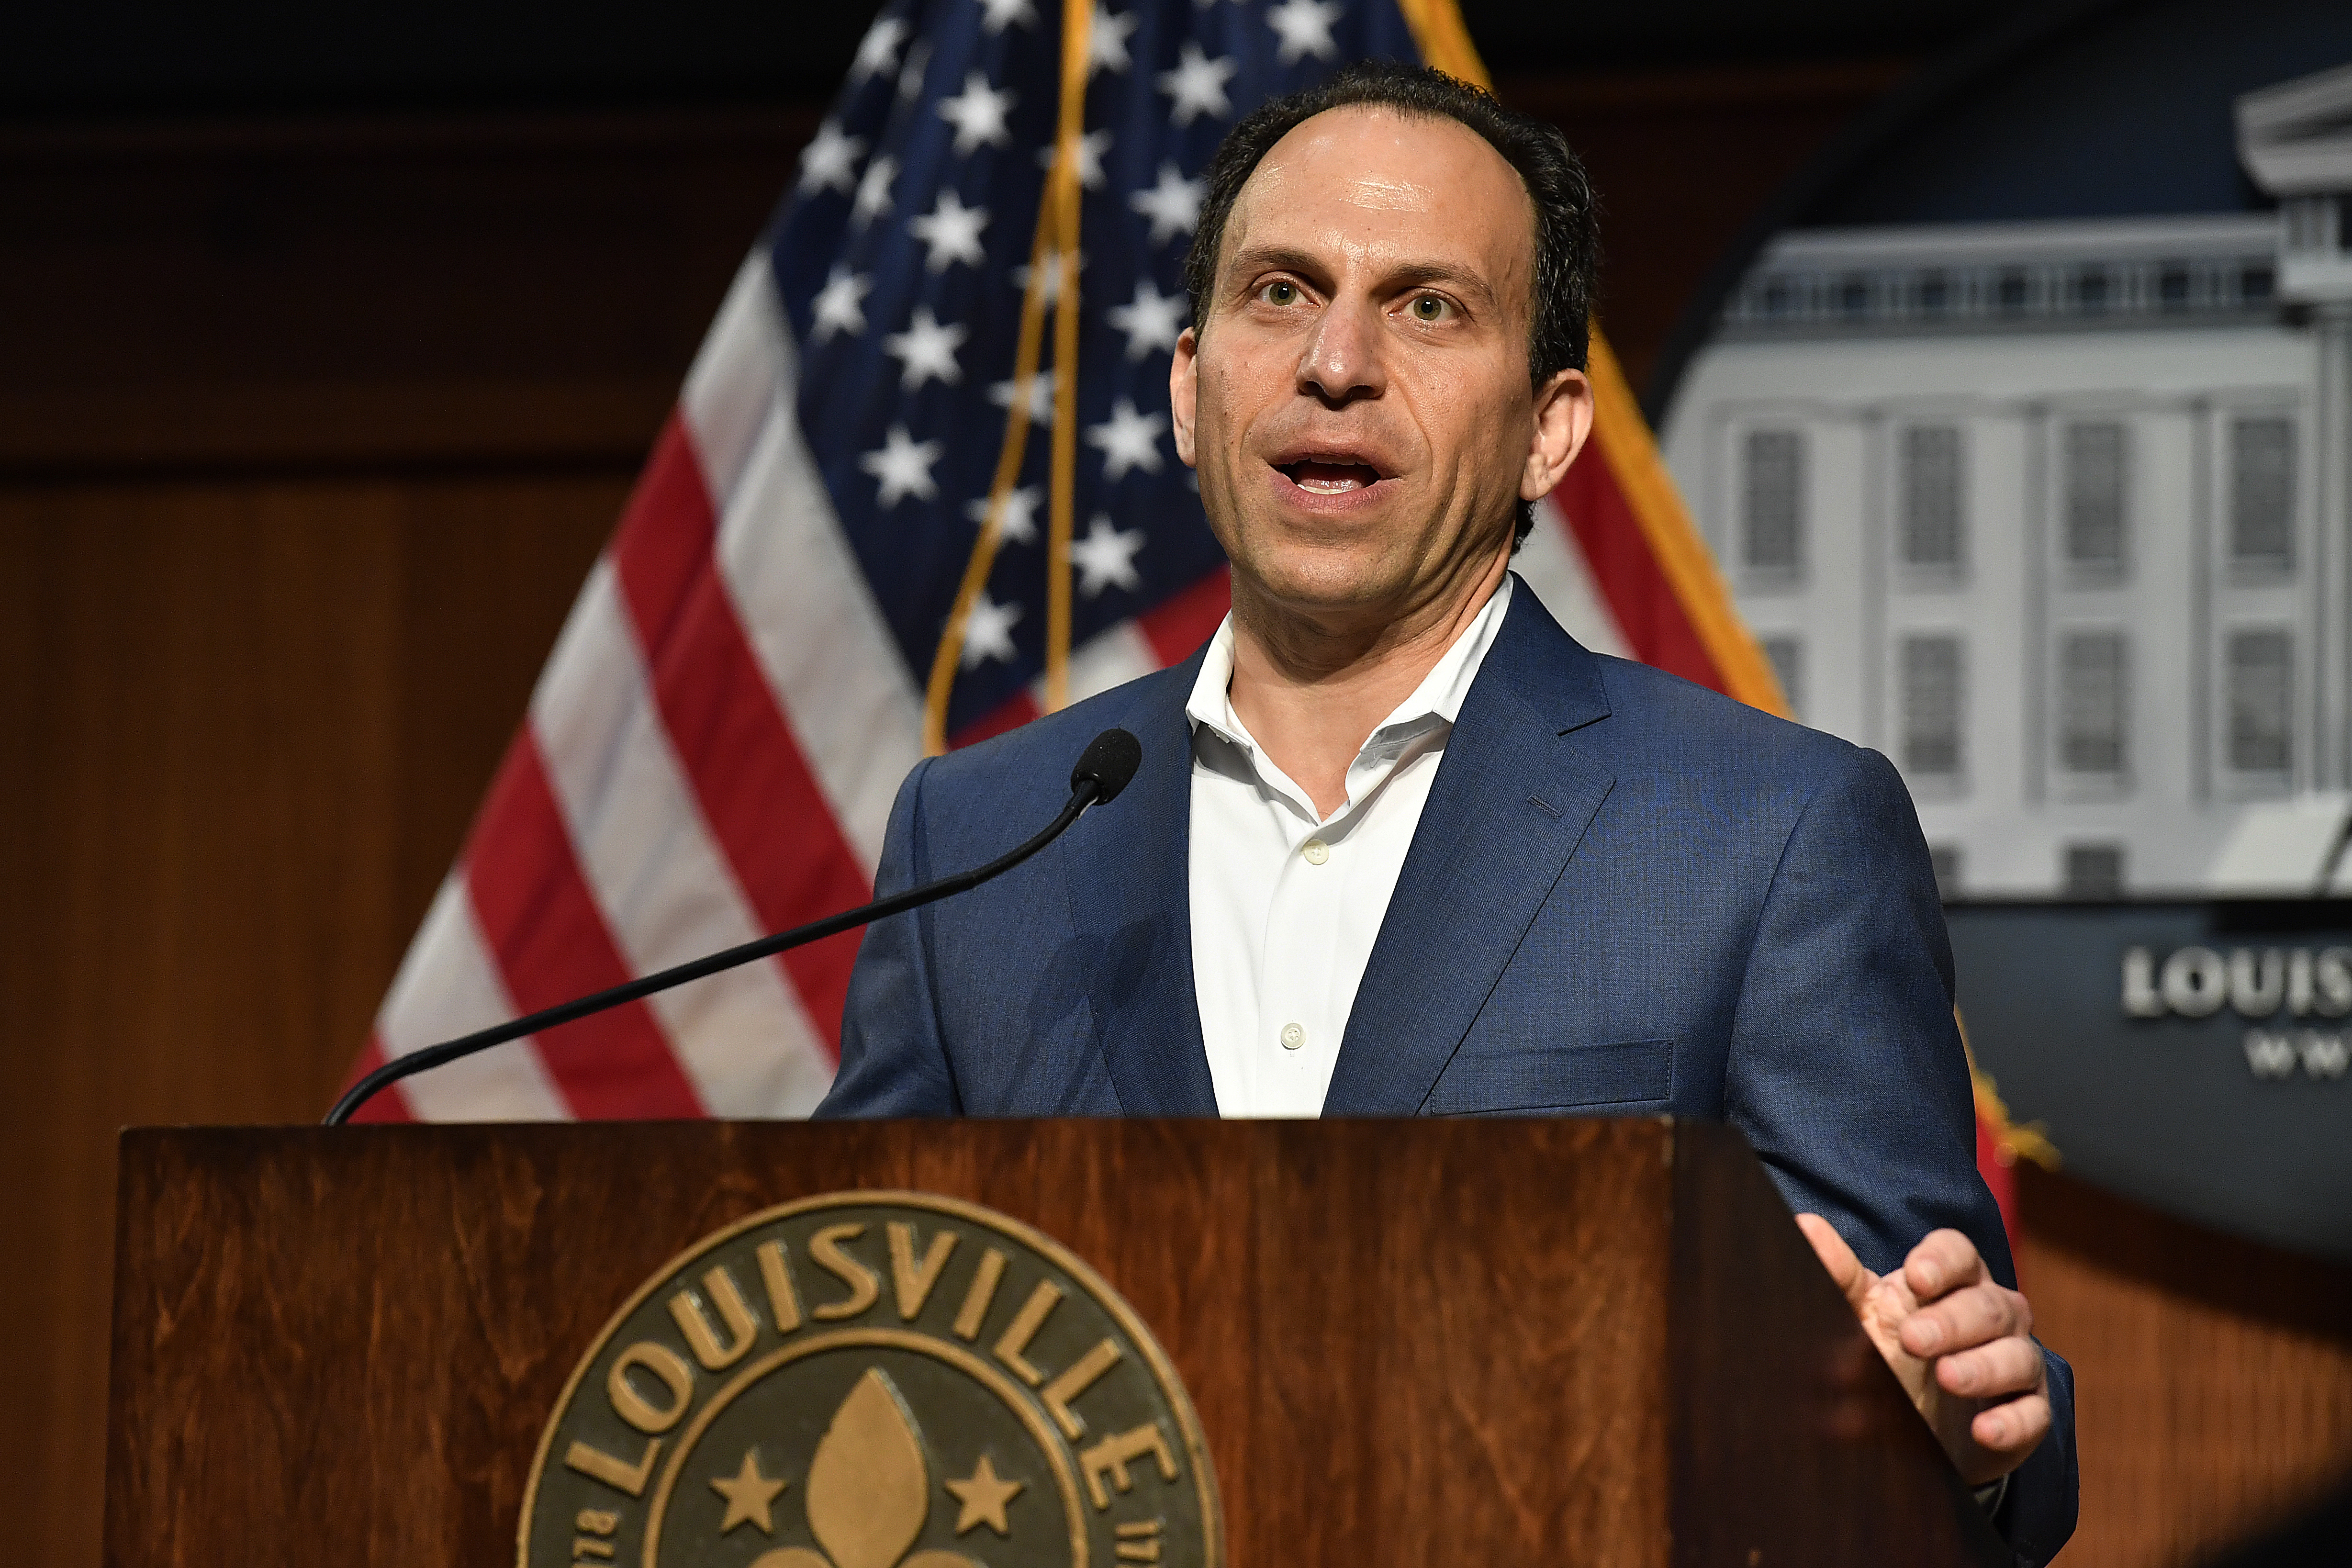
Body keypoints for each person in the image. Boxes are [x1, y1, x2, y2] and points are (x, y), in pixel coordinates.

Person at [819, 61, 2076, 1564]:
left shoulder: (1768, 833)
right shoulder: (980, 835)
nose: (1334, 361)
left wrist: (1943, 1441)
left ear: (1551, 431)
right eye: (1278, 292)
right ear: (1186, 383)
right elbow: (852, 1326)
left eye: (1427, 307)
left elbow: (1948, 1378)